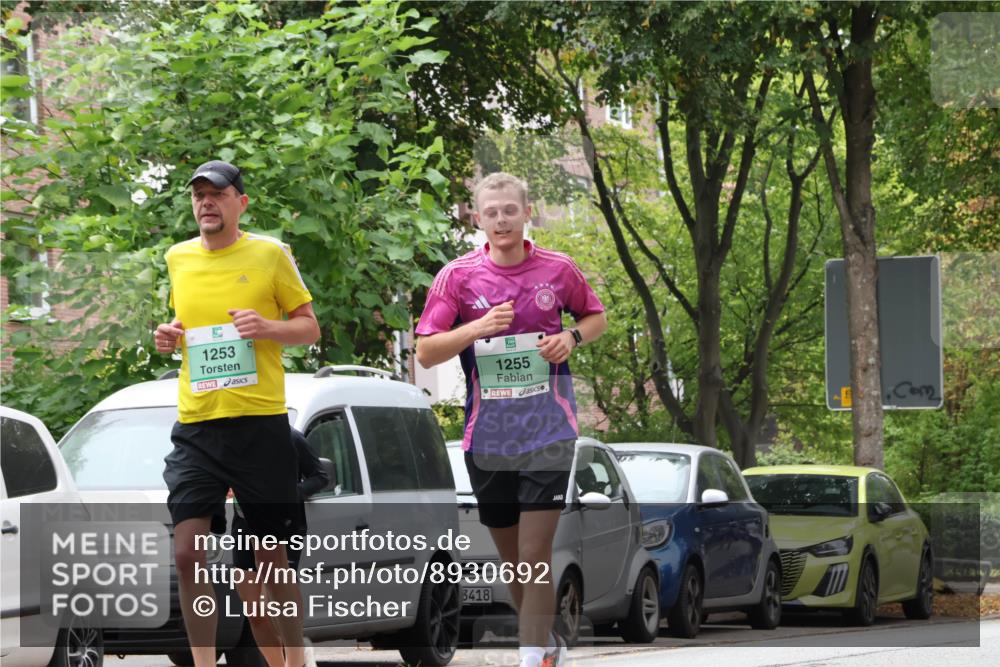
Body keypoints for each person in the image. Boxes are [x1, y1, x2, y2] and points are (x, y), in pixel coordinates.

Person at [414, 172, 607, 667]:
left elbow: (595, 317)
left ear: (527, 213)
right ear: (477, 218)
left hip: (550, 431)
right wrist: (477, 327)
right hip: (488, 437)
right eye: (491, 212)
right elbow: (426, 352)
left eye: (509, 210)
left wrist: (572, 339)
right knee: (514, 564)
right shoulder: (457, 277)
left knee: (534, 554)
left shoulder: (558, 269)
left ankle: (530, 659)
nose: (501, 219)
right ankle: (548, 645)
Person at [155, 160, 320, 667]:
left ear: (240, 203)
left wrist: (268, 328)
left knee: (272, 563)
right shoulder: (177, 258)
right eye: (198, 195)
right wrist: (166, 336)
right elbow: (184, 326)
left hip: (259, 426)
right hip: (199, 425)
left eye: (217, 194)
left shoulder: (271, 255)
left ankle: (292, 660)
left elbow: (309, 328)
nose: (206, 202)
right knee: (188, 552)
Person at [230, 428, 329, 667]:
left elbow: (320, 476)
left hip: (284, 525)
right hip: (244, 524)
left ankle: (296, 659)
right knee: (253, 609)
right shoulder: (230, 440)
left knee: (276, 601)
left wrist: (288, 493)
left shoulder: (290, 438)